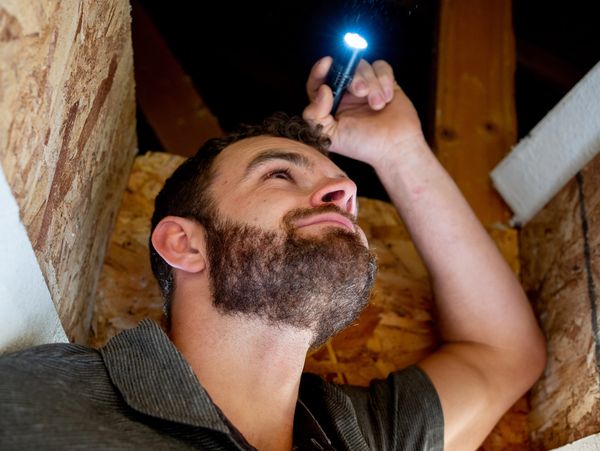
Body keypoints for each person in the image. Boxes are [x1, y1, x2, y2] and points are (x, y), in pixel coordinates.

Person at [0, 57, 546, 451]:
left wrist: (401, 153)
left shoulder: (359, 437)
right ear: (184, 243)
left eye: (345, 193)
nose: (344, 191)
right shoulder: (47, 401)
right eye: (280, 174)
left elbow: (504, 352)